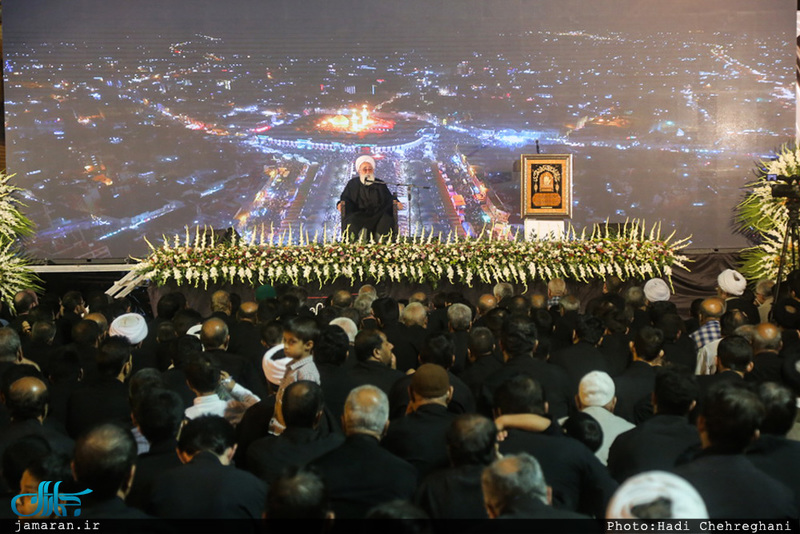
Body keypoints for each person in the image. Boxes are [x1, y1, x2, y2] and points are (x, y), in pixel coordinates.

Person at [337, 155, 401, 240]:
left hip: (378, 215)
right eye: (364, 169)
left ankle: (383, 246)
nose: (367, 172)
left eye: (370, 169)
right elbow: (345, 199)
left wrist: (396, 202)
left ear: (373, 170)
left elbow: (389, 198)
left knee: (387, 219)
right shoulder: (352, 184)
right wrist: (339, 204)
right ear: (359, 171)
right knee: (351, 220)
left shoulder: (379, 183)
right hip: (358, 215)